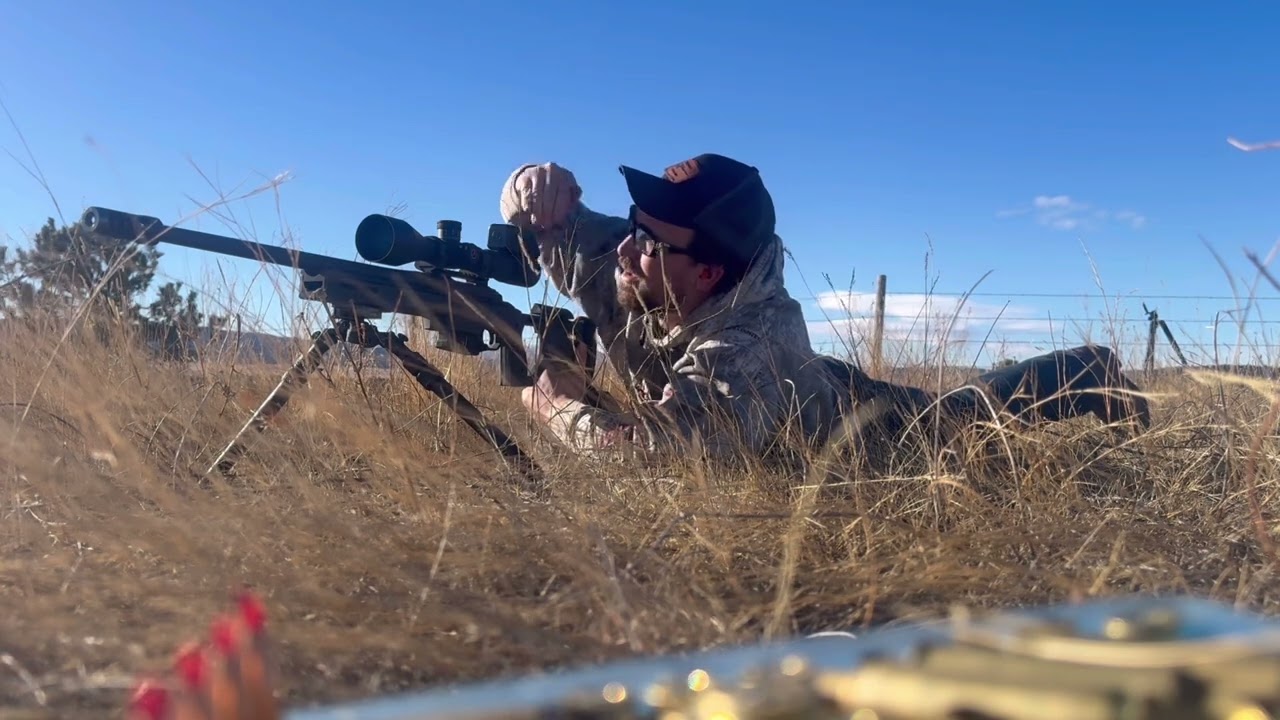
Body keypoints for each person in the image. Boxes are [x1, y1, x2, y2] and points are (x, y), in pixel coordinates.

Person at [500, 154, 847, 464]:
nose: (623, 249)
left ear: (707, 273)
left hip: (869, 426)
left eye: (645, 240)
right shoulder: (648, 263)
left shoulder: (749, 351)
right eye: (633, 223)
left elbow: (658, 452)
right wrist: (529, 185)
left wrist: (557, 409)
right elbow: (545, 220)